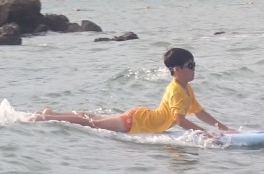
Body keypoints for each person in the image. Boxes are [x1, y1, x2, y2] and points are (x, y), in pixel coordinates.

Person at [31, 47, 234, 137]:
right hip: (136, 122)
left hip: (141, 117)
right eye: (190, 65)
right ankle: (47, 118)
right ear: (177, 70)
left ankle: (53, 113)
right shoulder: (176, 91)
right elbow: (179, 120)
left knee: (94, 117)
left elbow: (198, 112)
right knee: (93, 123)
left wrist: (224, 129)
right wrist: (205, 133)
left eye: (194, 64)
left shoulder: (186, 88)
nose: (194, 69)